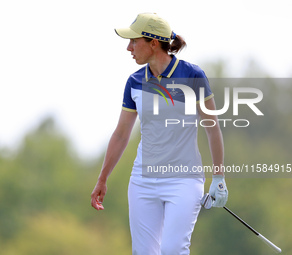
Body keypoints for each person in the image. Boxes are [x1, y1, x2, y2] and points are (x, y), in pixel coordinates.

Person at [91, 13, 228, 255]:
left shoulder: (193, 75)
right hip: (143, 181)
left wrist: (219, 177)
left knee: (173, 249)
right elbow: (122, 134)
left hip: (184, 180)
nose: (128, 47)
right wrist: (102, 179)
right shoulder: (134, 81)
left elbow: (212, 126)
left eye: (134, 41)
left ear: (153, 43)